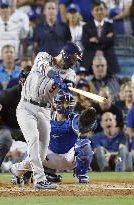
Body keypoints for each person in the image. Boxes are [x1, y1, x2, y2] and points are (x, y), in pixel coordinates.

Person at [16, 42, 82, 189]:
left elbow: (66, 93)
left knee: (42, 150)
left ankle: (18, 170)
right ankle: (40, 180)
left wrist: (66, 88)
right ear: (65, 54)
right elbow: (45, 67)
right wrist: (56, 77)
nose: (74, 63)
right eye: (73, 59)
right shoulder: (44, 56)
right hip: (26, 105)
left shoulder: (70, 73)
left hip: (45, 110)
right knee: (33, 139)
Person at [10, 91, 97, 184]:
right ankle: (24, 174)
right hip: (49, 158)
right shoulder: (46, 117)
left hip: (69, 158)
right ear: (55, 103)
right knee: (35, 145)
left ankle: (81, 175)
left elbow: (87, 132)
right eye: (62, 102)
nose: (65, 105)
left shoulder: (75, 119)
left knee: (85, 144)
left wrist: (90, 127)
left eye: (68, 103)